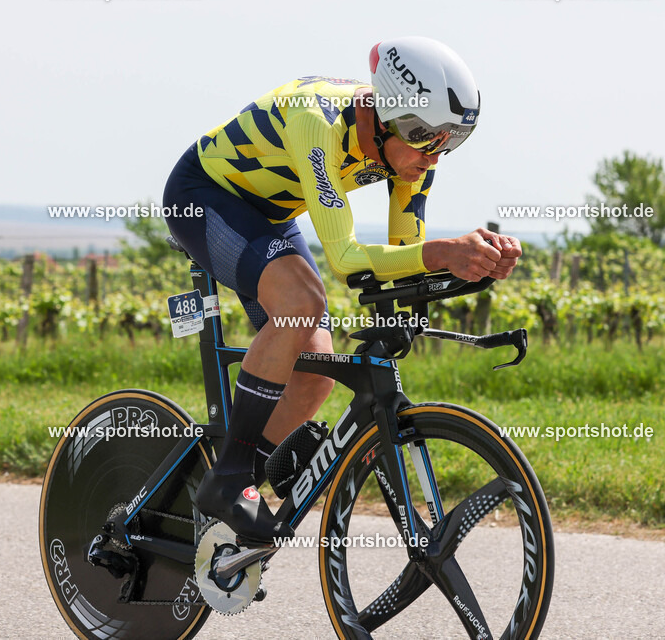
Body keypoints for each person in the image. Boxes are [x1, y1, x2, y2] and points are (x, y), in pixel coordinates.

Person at [163, 36, 521, 543]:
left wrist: (472, 266)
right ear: (391, 116)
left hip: (271, 215)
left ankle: (219, 501)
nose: (435, 156)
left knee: (315, 375)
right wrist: (442, 252)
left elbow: (405, 259)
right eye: (428, 137)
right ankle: (228, 480)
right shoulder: (319, 122)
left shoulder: (411, 154)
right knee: (301, 304)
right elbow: (347, 258)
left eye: (451, 141)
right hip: (204, 195)